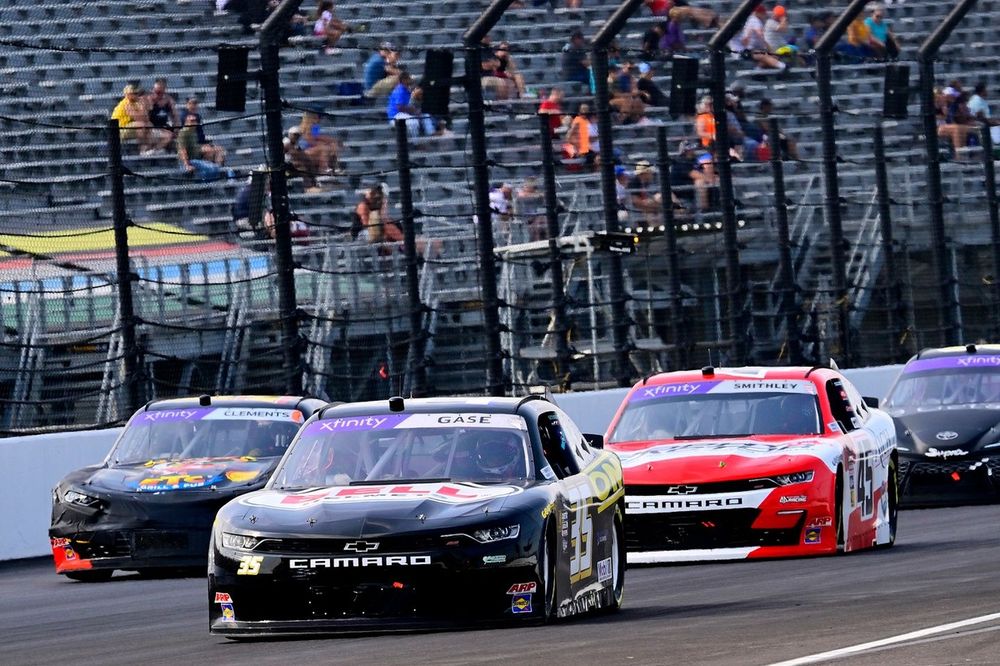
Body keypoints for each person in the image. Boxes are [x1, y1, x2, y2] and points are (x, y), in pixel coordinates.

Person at [177, 97, 227, 166]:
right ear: (187, 104)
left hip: (201, 144)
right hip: (192, 147)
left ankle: (217, 169)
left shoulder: (198, 116)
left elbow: (201, 135)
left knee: (220, 150)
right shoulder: (184, 116)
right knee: (210, 151)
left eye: (195, 104)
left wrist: (206, 143)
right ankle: (210, 169)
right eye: (191, 103)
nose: (194, 106)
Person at [387, 71, 436, 138]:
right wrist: (414, 111)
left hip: (404, 114)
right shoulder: (400, 90)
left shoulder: (406, 89)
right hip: (396, 115)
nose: (410, 80)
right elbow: (400, 107)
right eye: (409, 78)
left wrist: (416, 111)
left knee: (425, 115)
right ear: (404, 80)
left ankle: (431, 135)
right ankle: (417, 144)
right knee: (413, 122)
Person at [111, 84, 156, 154]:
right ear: (127, 94)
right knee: (142, 125)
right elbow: (139, 118)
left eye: (137, 93)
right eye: (134, 93)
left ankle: (148, 148)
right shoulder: (126, 104)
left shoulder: (134, 103)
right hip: (120, 129)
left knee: (149, 124)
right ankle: (143, 149)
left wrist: (144, 106)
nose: (136, 95)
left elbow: (146, 118)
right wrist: (143, 106)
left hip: (129, 126)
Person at [738, 5, 785, 70]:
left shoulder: (752, 19)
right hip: (748, 51)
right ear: (758, 13)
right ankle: (784, 67)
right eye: (763, 13)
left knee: (772, 56)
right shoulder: (755, 20)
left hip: (753, 49)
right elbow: (761, 36)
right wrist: (769, 48)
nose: (764, 15)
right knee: (765, 56)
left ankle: (757, 70)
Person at [298, 110, 343, 174]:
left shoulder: (315, 126)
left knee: (333, 145)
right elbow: (310, 141)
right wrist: (323, 143)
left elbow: (317, 137)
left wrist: (332, 141)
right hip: (305, 150)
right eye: (316, 117)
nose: (319, 119)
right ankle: (324, 168)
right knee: (324, 148)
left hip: (314, 148)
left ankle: (335, 167)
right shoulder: (304, 127)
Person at [145, 78, 178, 152]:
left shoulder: (168, 100)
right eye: (156, 91)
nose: (157, 94)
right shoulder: (149, 100)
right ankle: (154, 151)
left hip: (163, 127)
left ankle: (157, 151)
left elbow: (175, 116)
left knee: (176, 134)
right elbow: (145, 118)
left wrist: (176, 127)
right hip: (152, 127)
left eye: (160, 92)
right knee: (167, 136)